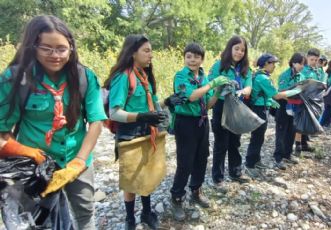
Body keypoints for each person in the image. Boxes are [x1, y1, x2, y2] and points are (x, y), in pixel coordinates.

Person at [0, 15, 107, 229]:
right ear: (33, 46)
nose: (55, 55)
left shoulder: (84, 77)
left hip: (77, 158)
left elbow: (96, 122)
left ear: (71, 48)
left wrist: (79, 160)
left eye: (61, 48)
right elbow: (2, 130)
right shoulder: (16, 79)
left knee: (85, 213)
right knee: (38, 219)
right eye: (46, 48)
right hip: (35, 165)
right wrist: (28, 153)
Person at [103, 35, 182, 230]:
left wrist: (168, 102)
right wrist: (141, 117)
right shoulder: (123, 77)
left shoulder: (144, 77)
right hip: (129, 134)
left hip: (148, 131)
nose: (151, 55)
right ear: (132, 53)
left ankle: (147, 213)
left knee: (147, 172)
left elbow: (153, 106)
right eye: (146, 51)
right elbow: (115, 112)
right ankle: (130, 219)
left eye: (151, 51)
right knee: (131, 178)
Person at [170, 43, 229, 221]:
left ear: (202, 59)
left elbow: (207, 105)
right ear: (184, 58)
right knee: (185, 161)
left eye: (196, 57)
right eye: (189, 56)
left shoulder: (202, 76)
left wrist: (217, 92)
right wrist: (212, 83)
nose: (192, 60)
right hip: (185, 122)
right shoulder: (180, 76)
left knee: (202, 157)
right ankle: (177, 197)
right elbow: (190, 96)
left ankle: (196, 190)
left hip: (202, 121)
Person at [245, 53, 301, 178]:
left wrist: (271, 102)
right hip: (259, 109)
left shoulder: (259, 75)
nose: (274, 66)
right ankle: (249, 164)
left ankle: (256, 160)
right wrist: (294, 91)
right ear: (266, 64)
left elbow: (265, 94)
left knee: (259, 136)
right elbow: (276, 94)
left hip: (261, 107)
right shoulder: (263, 78)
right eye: (273, 63)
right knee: (257, 137)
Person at [208, 36, 252, 185]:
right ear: (229, 49)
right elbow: (210, 85)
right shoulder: (218, 66)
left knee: (235, 142)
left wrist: (243, 91)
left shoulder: (245, 69)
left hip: (238, 108)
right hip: (221, 107)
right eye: (236, 49)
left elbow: (248, 86)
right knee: (221, 143)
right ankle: (218, 178)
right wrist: (220, 87)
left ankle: (236, 172)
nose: (239, 52)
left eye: (242, 50)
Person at [273, 53, 306, 170]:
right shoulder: (284, 75)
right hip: (283, 105)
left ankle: (287, 154)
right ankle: (278, 157)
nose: (302, 66)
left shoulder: (301, 76)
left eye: (303, 64)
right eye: (300, 63)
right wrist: (293, 94)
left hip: (295, 106)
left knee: (292, 130)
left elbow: (302, 89)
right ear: (293, 63)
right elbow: (281, 91)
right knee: (281, 131)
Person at [296, 48, 321, 155]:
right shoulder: (303, 70)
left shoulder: (317, 71)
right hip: (303, 99)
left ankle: (305, 143)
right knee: (300, 122)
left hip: (313, 99)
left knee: (309, 120)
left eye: (316, 60)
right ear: (307, 58)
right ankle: (298, 146)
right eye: (312, 60)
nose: (314, 62)